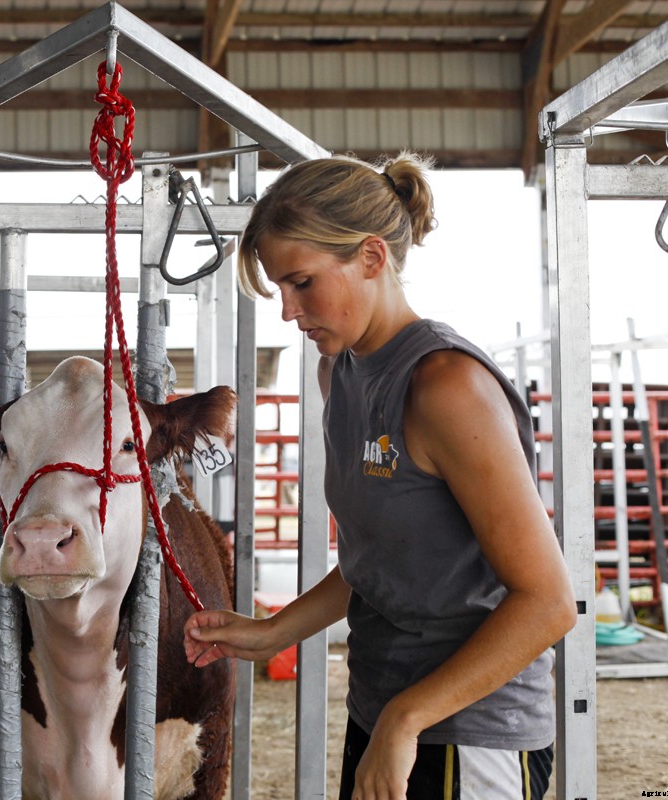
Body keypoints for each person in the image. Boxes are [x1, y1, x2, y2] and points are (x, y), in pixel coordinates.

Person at [183, 152, 576, 800]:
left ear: (371, 257)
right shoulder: (340, 373)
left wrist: (407, 718)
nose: (287, 309)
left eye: (302, 282)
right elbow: (383, 558)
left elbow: (548, 602)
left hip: (467, 733)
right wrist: (274, 632)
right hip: (384, 708)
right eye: (280, 287)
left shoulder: (445, 386)